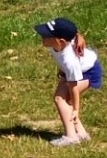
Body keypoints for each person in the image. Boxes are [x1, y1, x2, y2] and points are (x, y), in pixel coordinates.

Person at [35, 17, 100, 147]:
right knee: (63, 100)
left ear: (60, 41)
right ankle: (81, 134)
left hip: (87, 73)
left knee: (60, 99)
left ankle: (71, 137)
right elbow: (72, 31)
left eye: (46, 35)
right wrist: (78, 35)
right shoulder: (59, 44)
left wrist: (76, 109)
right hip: (73, 71)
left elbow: (73, 88)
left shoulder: (70, 61)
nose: (42, 36)